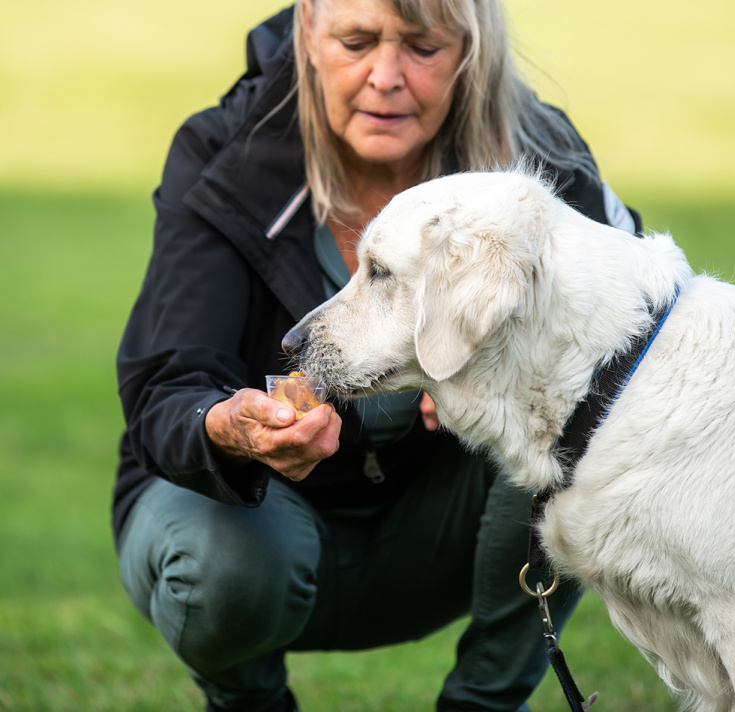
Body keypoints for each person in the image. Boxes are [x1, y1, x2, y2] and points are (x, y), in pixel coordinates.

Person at [113, 0, 641, 710]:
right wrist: (230, 426)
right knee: (223, 566)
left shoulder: (539, 160)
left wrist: (500, 370)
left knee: (584, 418)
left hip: (446, 538)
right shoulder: (223, 154)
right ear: (308, 28)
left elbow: (639, 328)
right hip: (249, 534)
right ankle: (248, 702)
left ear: (470, 44)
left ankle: (485, 704)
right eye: (357, 40)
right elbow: (166, 388)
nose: (386, 76)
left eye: (422, 46)